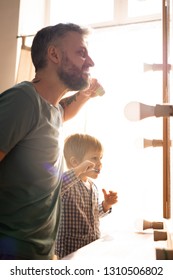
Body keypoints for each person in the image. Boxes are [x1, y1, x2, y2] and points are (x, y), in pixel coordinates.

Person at [0, 23, 104, 260]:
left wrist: (84, 95)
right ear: (54, 54)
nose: (90, 62)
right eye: (81, 53)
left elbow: (65, 111)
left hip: (42, 254)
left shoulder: (53, 110)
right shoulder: (23, 100)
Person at [55, 133, 118, 259]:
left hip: (90, 249)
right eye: (94, 158)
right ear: (75, 162)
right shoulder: (67, 184)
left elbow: (92, 215)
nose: (100, 163)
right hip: (69, 252)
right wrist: (78, 170)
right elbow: (56, 186)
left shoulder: (93, 186)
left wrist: (106, 205)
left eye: (101, 158)